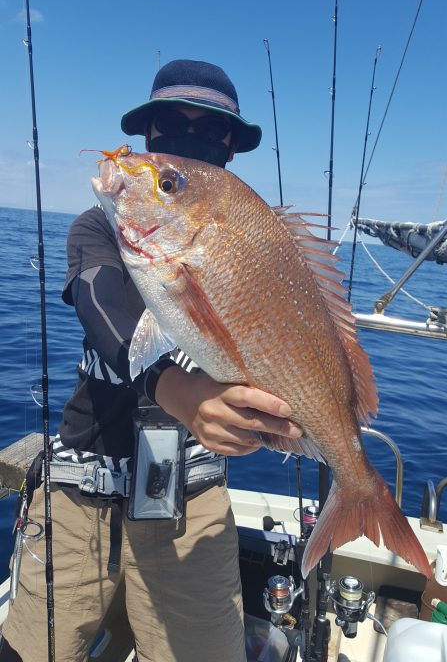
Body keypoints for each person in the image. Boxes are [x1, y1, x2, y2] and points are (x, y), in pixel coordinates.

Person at [1, 59, 302, 662]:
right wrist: (176, 390)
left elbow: (278, 350)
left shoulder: (256, 247)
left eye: (210, 130)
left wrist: (276, 419)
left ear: (231, 149)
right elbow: (100, 304)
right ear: (148, 135)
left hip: (192, 504)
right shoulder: (97, 228)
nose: (187, 138)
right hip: (79, 495)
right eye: (169, 122)